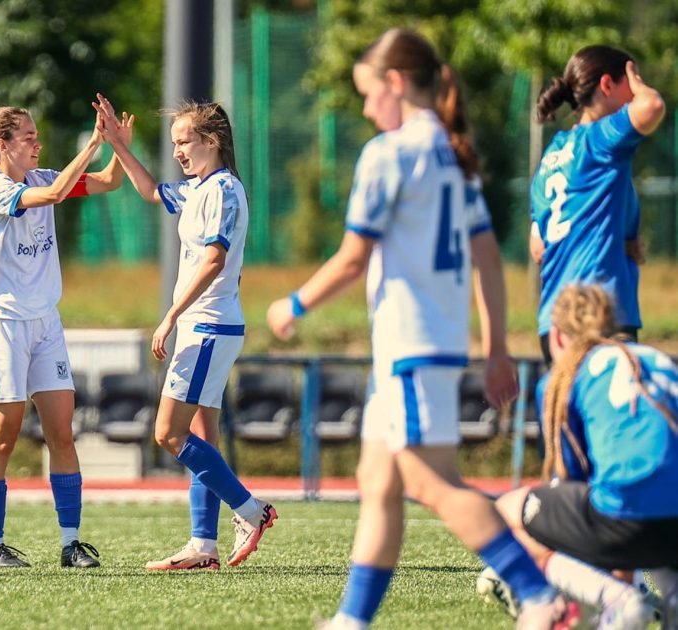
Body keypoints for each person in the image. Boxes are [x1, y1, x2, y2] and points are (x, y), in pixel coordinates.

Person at [264, 29, 578, 629]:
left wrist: (294, 305)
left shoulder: (389, 154)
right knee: (378, 481)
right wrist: (494, 347)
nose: (365, 109)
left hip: (410, 344)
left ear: (395, 82)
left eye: (367, 93)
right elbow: (488, 259)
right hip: (429, 344)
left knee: (434, 484)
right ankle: (352, 621)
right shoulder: (456, 157)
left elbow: (353, 258)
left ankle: (539, 592)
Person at [93, 95, 278, 570]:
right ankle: (203, 546)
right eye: (174, 143)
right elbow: (152, 191)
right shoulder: (199, 187)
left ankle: (251, 511)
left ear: (212, 140)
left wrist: (171, 314)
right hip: (207, 327)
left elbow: (214, 259)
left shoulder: (224, 189)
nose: (177, 151)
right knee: (201, 437)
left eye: (184, 141)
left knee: (168, 434)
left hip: (208, 327)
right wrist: (118, 145)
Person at [0, 102, 133, 569]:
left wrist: (119, 148)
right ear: (3, 145)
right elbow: (58, 194)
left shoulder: (40, 178)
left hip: (45, 324)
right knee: (3, 437)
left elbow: (109, 182)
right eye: (29, 137)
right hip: (3, 326)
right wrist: (95, 142)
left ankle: (71, 543)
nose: (38, 144)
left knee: (62, 431)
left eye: (37, 136)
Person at [484, 284, 678, 629]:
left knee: (504, 512)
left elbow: (570, 480)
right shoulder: (657, 360)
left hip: (627, 518)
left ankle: (616, 600)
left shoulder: (565, 375)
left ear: (557, 335)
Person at [530, 45, 665, 364]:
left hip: (555, 321)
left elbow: (538, 246)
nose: (634, 93)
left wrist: (617, 242)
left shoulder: (551, 156)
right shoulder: (600, 139)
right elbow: (652, 106)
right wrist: (640, 85)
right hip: (598, 314)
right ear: (607, 85)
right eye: (629, 83)